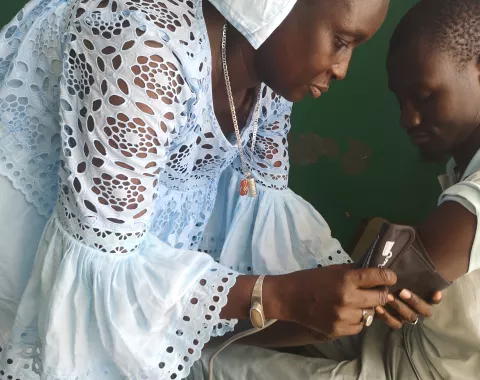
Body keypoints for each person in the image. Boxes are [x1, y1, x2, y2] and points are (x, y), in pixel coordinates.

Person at [0, 0, 444, 378]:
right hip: (38, 255)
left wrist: (358, 289)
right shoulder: (139, 51)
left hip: (121, 271)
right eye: (342, 41)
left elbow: (264, 219)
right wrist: (281, 296)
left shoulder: (270, 79)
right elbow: (101, 280)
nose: (343, 69)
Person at [188, 0, 480, 379]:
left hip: (427, 371)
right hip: (418, 344)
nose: (408, 117)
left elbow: (349, 305)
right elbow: (372, 296)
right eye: (401, 100)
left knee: (207, 364)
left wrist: (207, 340)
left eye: (424, 96)